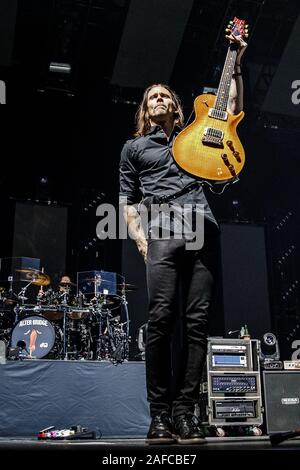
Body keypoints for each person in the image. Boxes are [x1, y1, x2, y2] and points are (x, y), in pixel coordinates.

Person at [119, 34, 247, 444]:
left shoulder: (195, 136)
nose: (158, 99)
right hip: (161, 230)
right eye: (151, 96)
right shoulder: (134, 148)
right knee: (159, 322)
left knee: (196, 324)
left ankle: (186, 412)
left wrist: (236, 60)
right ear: (145, 109)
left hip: (202, 226)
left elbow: (232, 110)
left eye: (164, 96)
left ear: (175, 105)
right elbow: (127, 202)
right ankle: (159, 416)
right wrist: (141, 242)